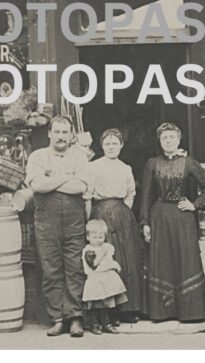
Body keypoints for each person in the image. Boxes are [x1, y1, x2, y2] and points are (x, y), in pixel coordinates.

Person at [139, 122, 205, 322]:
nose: (168, 141)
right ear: (160, 141)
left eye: (172, 137)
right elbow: (145, 195)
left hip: (183, 218)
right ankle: (163, 312)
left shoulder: (189, 162)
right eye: (164, 138)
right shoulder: (152, 164)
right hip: (160, 217)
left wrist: (195, 204)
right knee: (163, 261)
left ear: (179, 140)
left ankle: (191, 312)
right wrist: (145, 222)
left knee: (186, 259)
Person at [25, 115, 90, 337]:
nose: (61, 136)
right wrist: (66, 177)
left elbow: (81, 187)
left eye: (65, 132)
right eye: (57, 132)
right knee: (51, 270)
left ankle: (75, 318)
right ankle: (57, 318)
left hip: (74, 221)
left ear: (71, 135)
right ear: (50, 133)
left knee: (75, 269)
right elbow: (37, 186)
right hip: (46, 222)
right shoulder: (37, 156)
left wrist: (52, 179)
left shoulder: (80, 157)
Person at [83, 128, 144, 321]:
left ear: (121, 146)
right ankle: (108, 312)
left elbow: (130, 194)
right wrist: (90, 220)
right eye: (107, 143)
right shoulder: (93, 167)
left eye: (115, 143)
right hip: (101, 212)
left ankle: (128, 309)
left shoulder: (125, 168)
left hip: (122, 215)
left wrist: (123, 213)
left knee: (126, 260)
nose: (111, 147)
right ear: (102, 146)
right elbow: (88, 196)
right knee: (105, 260)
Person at [81, 219, 128, 334]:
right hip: (96, 279)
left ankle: (107, 323)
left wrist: (114, 264)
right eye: (94, 237)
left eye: (101, 237)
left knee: (107, 303)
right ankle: (95, 324)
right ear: (88, 237)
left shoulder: (107, 247)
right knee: (96, 304)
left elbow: (110, 260)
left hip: (107, 279)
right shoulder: (89, 251)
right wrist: (102, 253)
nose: (98, 240)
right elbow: (93, 265)